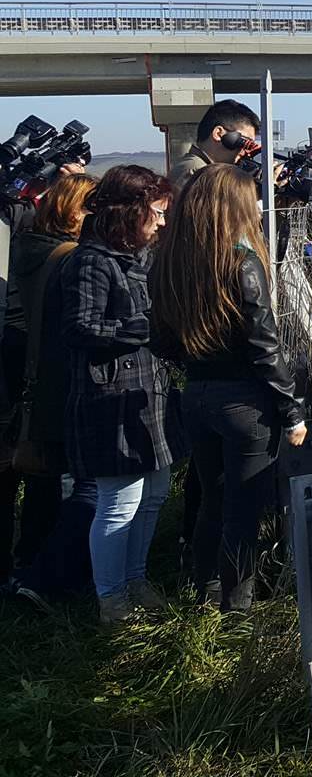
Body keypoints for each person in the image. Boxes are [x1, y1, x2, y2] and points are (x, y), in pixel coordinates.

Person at [150, 166, 308, 611]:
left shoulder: (169, 259)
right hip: (245, 404)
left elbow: (158, 338)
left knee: (211, 505)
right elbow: (264, 345)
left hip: (196, 395)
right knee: (243, 515)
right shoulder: (241, 260)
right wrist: (291, 410)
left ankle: (204, 594)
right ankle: (238, 613)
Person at [62, 164, 178, 622]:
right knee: (119, 501)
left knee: (153, 492)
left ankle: (135, 579)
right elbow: (79, 327)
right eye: (157, 212)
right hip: (109, 396)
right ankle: (111, 598)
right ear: (131, 212)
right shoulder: (91, 260)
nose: (162, 222)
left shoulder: (134, 257)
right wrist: (142, 328)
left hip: (146, 390)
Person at [4, 173, 95, 577]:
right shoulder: (69, 258)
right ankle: (44, 567)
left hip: (25, 371)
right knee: (53, 474)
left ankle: (22, 562)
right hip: (54, 375)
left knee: (31, 472)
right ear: (75, 211)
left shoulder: (27, 246)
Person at [170, 99, 265, 189]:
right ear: (219, 134)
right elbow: (219, 206)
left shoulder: (206, 171)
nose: (246, 152)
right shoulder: (196, 173)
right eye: (245, 143)